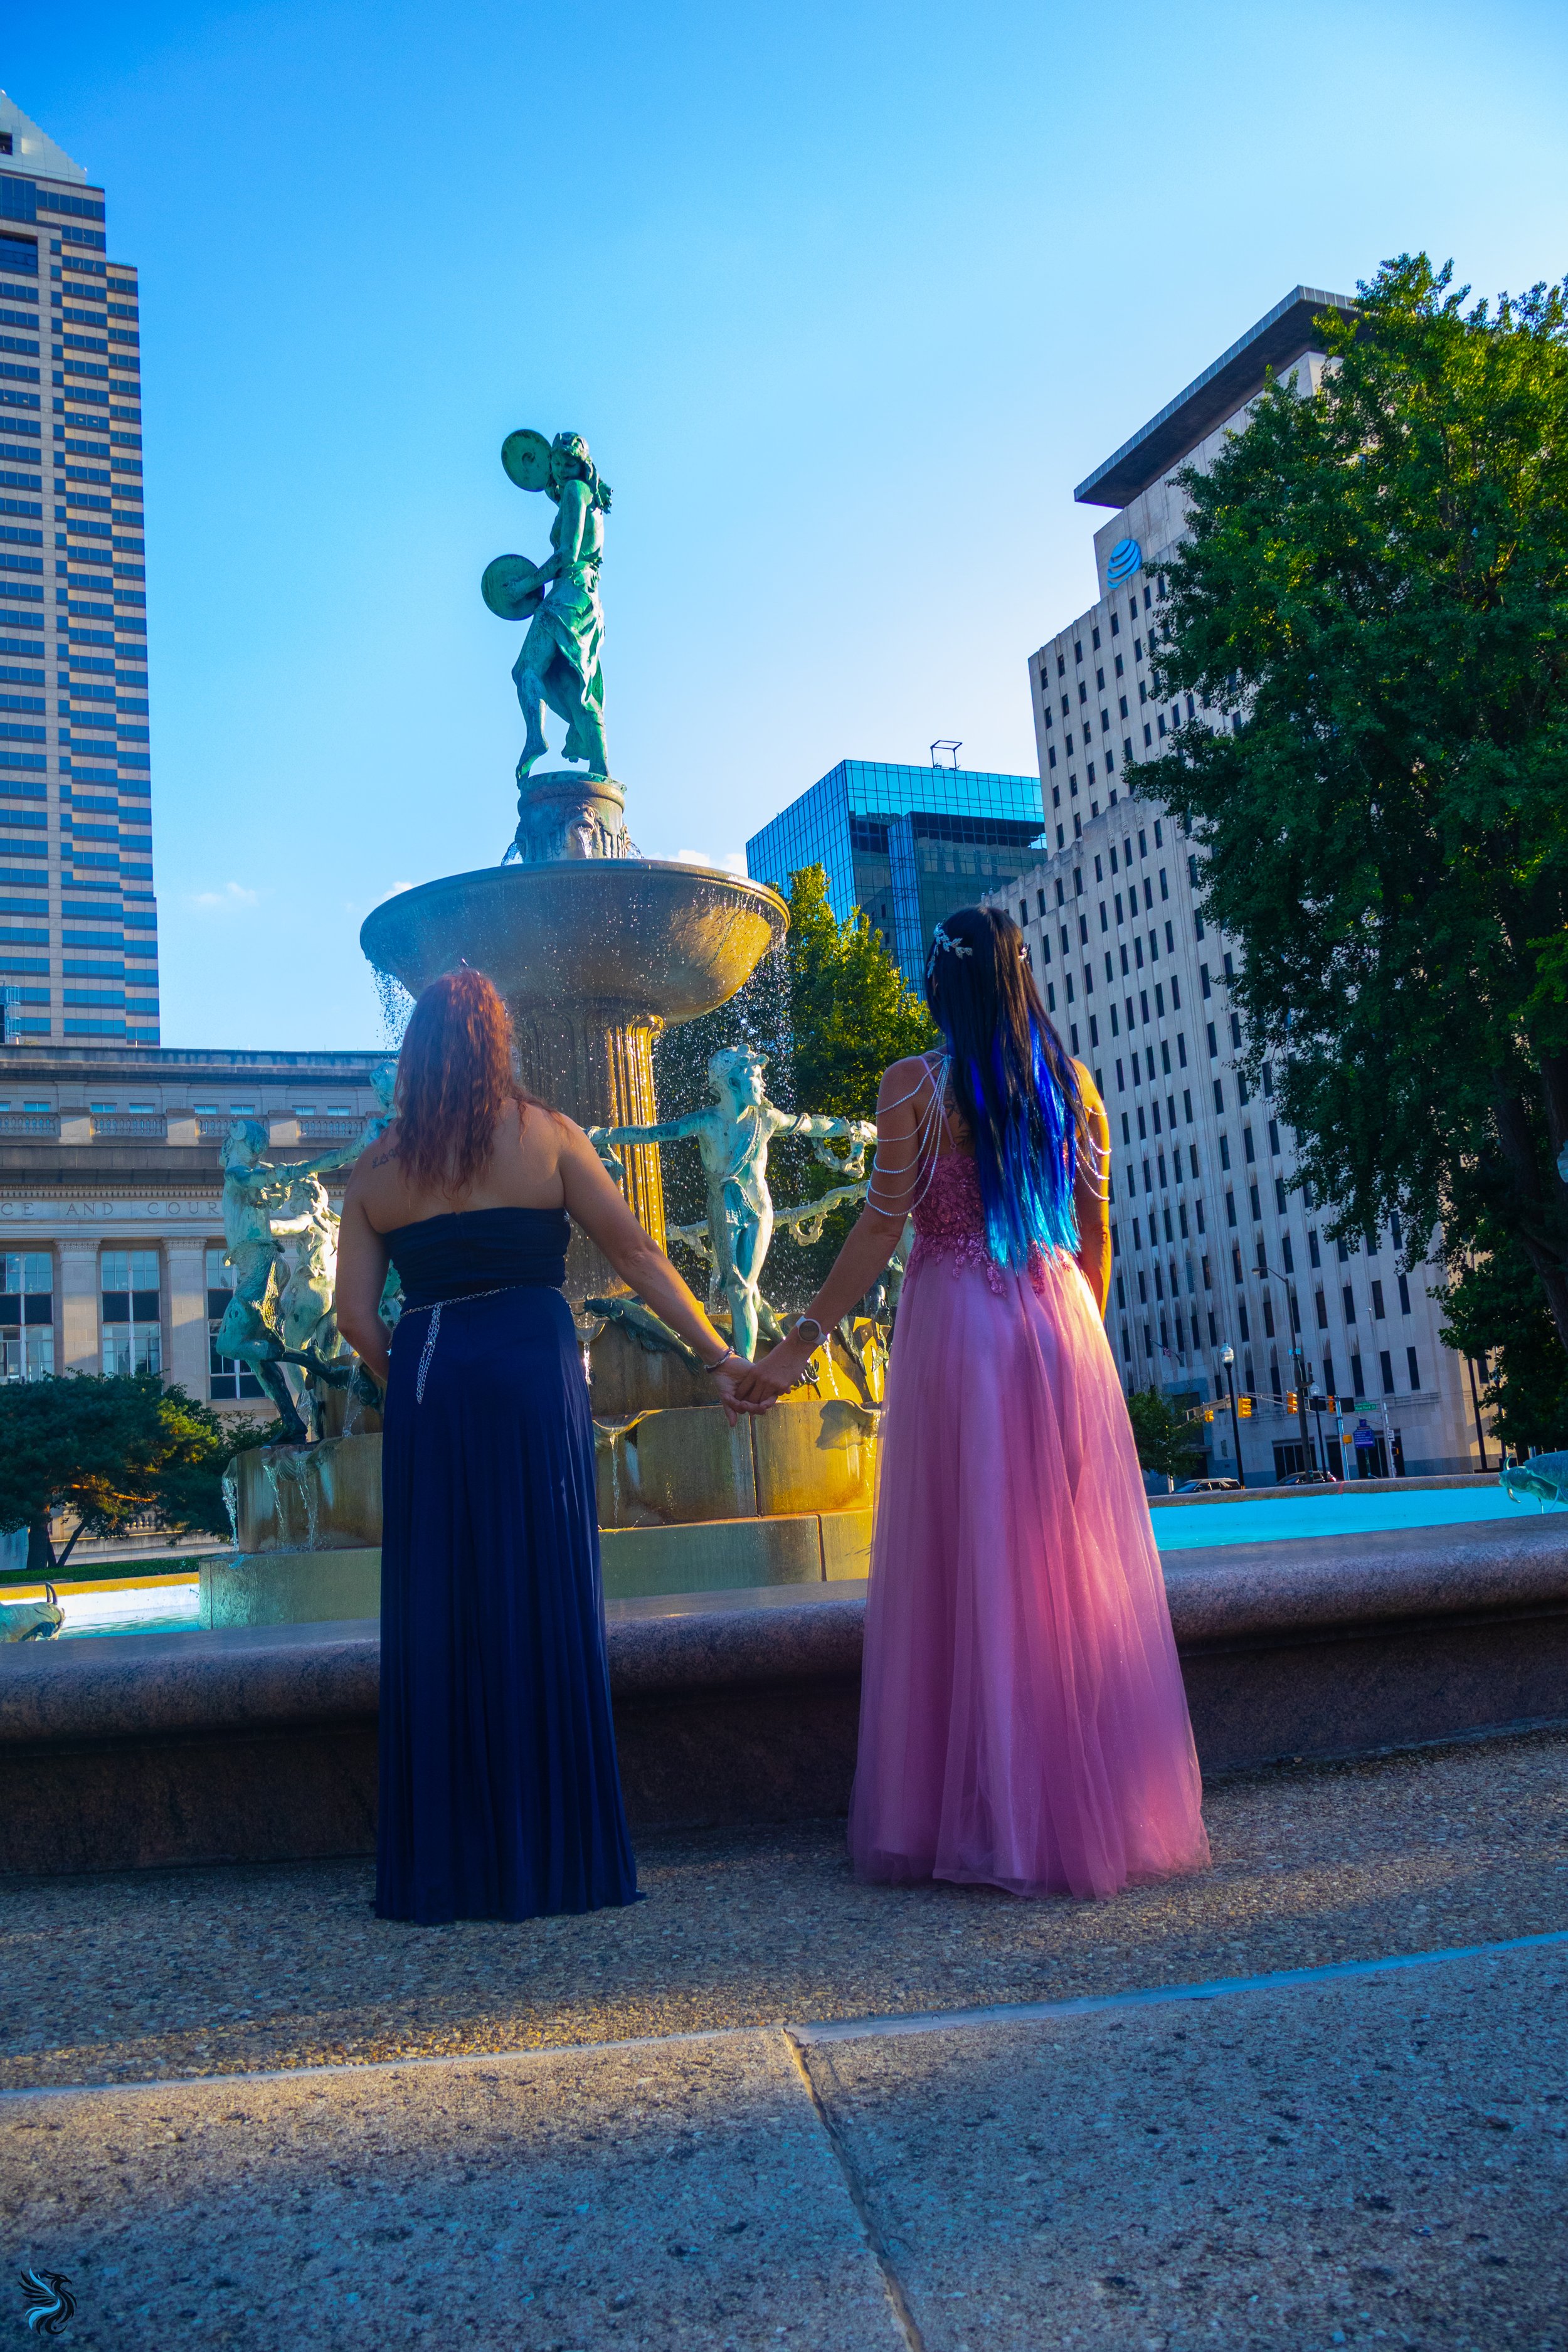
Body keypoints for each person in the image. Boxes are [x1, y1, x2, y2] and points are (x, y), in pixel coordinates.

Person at [731, 906, 1210, 1902]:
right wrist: (1081, 1349)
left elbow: (876, 1231)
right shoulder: (1075, 1089)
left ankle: (980, 1812)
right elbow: (1096, 1236)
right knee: (1057, 1569)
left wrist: (791, 1350)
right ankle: (1080, 1809)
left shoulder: (913, 1085)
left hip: (959, 1328)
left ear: (941, 984)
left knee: (968, 1561)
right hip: (1060, 1323)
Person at [334, 967, 760, 1925]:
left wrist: (410, 1370)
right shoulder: (550, 1136)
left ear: (413, 1056)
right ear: (498, 1044)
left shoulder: (377, 1169)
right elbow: (638, 1254)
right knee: (543, 1591)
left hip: (433, 1373)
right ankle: (557, 1851)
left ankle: (446, 1862)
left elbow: (354, 1316)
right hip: (533, 1367)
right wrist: (718, 1354)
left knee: (444, 1608)